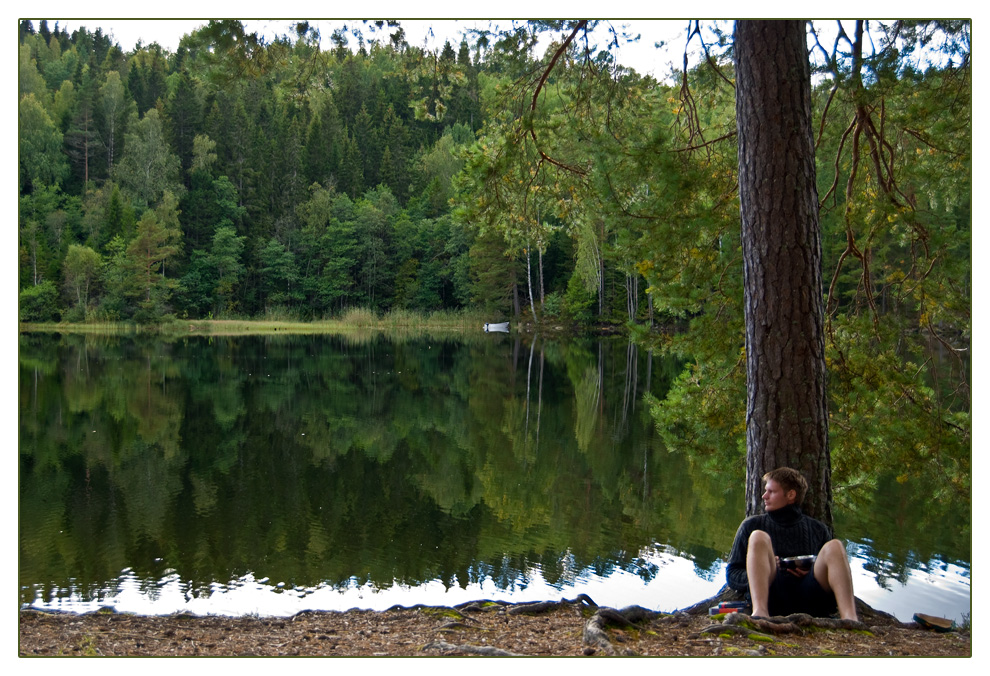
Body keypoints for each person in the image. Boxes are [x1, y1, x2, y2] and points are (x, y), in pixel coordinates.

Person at [725, 467, 859, 620]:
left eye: (771, 492)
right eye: (765, 491)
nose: (764, 496)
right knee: (758, 537)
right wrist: (763, 571)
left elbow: (835, 572)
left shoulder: (818, 529)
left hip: (811, 597)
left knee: (835, 546)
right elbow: (732, 574)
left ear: (791, 495)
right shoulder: (751, 525)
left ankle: (850, 619)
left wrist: (811, 569)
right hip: (771, 596)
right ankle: (760, 615)